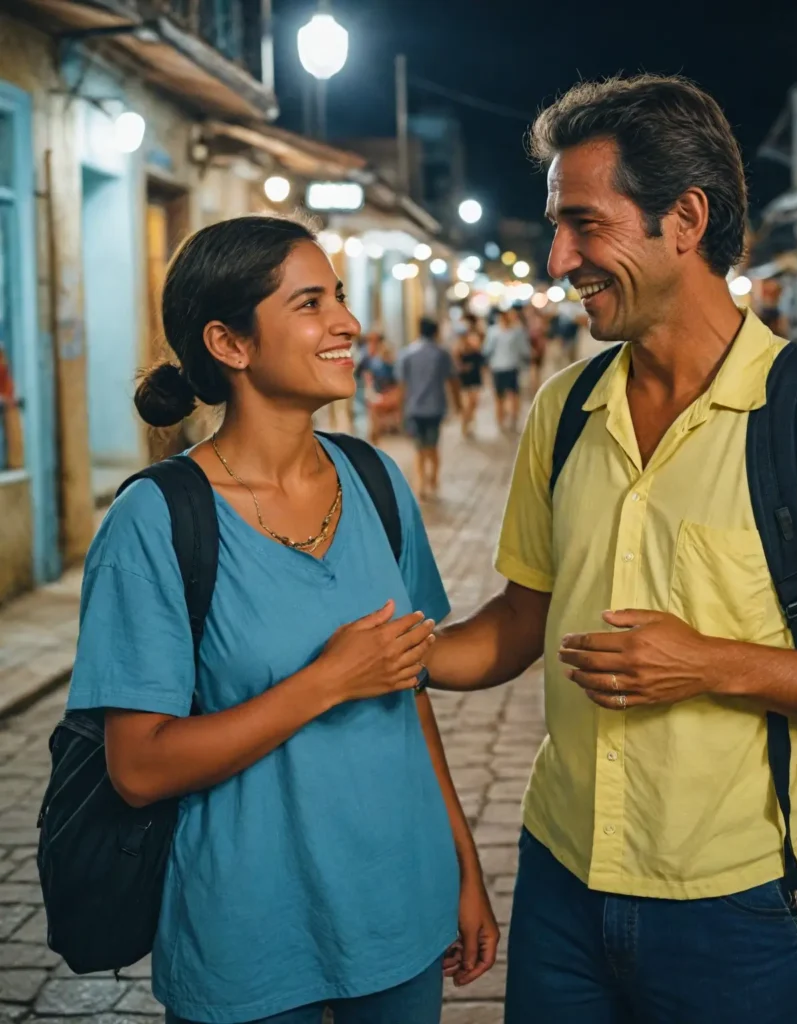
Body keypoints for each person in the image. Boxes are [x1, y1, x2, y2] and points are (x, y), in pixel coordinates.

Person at [421, 75, 797, 1024]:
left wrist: (709, 663)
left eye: (584, 224)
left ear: (685, 217)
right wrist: (397, 657)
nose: (558, 259)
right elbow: (525, 616)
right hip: (560, 877)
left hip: (738, 902)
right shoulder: (564, 411)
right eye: (556, 226)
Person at [64, 216, 498, 1024]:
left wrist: (462, 862)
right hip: (249, 931)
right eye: (310, 303)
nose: (346, 322)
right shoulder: (159, 521)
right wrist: (327, 682)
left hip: (401, 906)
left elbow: (408, 688)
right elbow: (140, 767)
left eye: (337, 295)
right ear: (230, 344)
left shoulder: (374, 482)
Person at [397, 317, 461, 501]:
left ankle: (421, 483)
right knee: (433, 445)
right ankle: (433, 477)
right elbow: (453, 380)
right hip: (435, 407)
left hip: (414, 408)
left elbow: (402, 385)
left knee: (418, 447)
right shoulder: (441, 353)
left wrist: (400, 409)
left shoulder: (407, 353)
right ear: (435, 332)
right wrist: (458, 404)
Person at [483, 307, 532, 432]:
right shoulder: (511, 331)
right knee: (507, 395)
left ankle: (506, 419)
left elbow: (487, 350)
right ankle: (505, 419)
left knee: (507, 395)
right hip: (505, 367)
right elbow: (524, 349)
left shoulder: (497, 331)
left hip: (505, 367)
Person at [362, 331, 402, 443]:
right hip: (377, 393)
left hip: (388, 393)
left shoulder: (387, 362)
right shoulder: (371, 359)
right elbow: (368, 378)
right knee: (374, 414)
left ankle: (377, 436)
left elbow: (396, 381)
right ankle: (374, 438)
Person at [454, 313, 486, 437]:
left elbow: (479, 353)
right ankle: (465, 423)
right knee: (467, 402)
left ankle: (469, 421)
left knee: (474, 401)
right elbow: (456, 359)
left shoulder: (476, 338)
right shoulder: (458, 344)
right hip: (464, 376)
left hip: (475, 374)